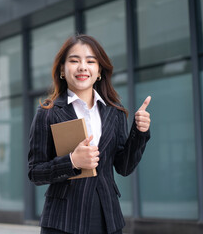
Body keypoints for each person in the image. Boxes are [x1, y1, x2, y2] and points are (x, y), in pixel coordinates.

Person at [28, 34, 151, 234]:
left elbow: (124, 166)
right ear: (62, 69)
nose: (83, 67)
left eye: (90, 61)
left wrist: (139, 132)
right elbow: (35, 172)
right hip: (63, 220)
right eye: (74, 61)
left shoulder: (115, 112)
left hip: (107, 217)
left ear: (99, 70)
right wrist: (72, 161)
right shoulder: (47, 113)